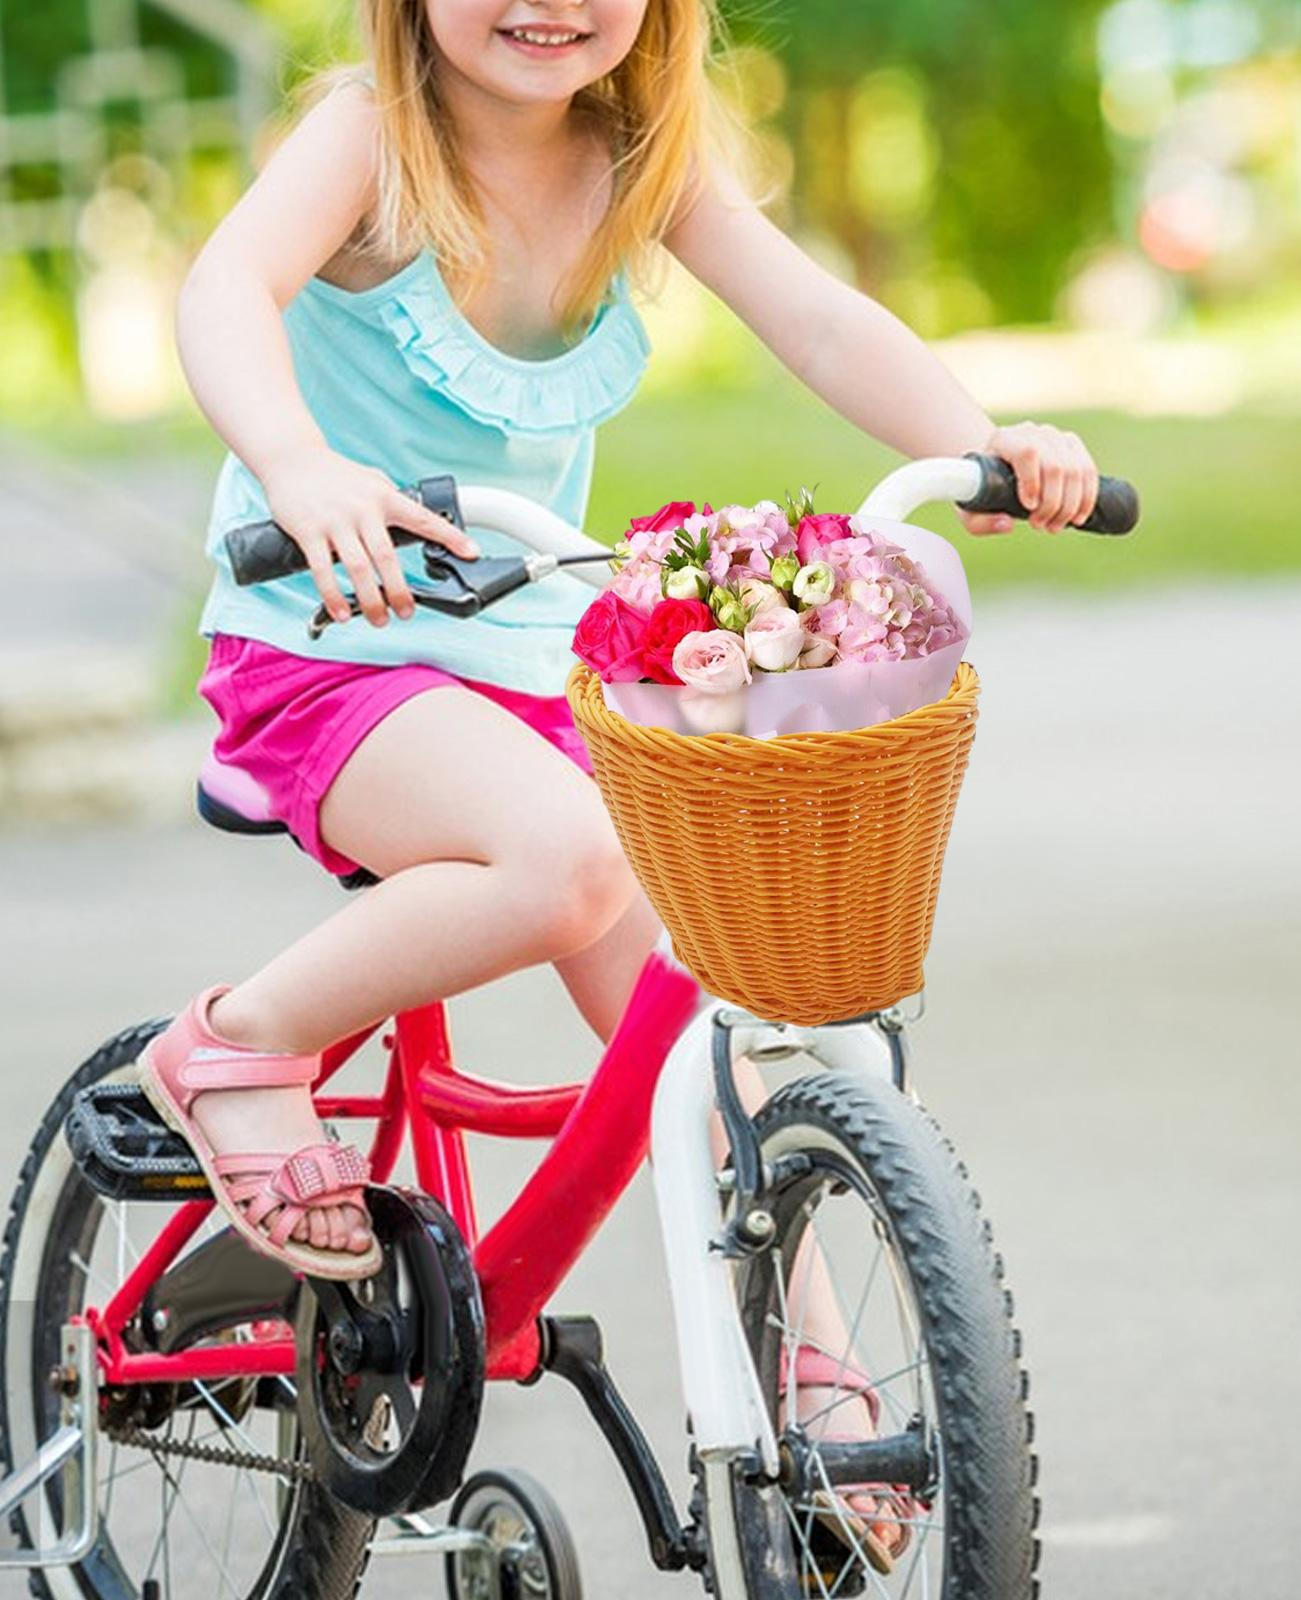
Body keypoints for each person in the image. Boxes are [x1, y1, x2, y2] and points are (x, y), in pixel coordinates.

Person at [147, 0, 1100, 1561]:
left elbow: (819, 322)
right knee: (582, 860)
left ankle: (814, 1351)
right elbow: (224, 288)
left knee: (701, 991)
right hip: (331, 648)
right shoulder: (373, 138)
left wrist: (980, 446)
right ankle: (237, 1048)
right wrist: (302, 463)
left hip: (533, 674)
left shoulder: (641, 158)